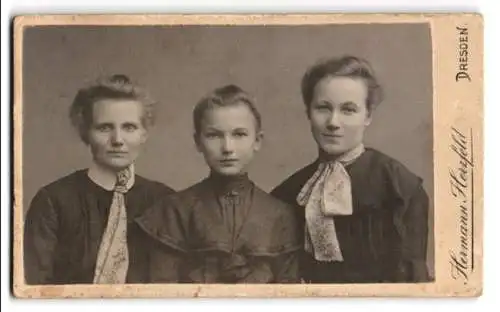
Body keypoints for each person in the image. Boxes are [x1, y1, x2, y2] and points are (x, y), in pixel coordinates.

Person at [271, 56, 431, 283]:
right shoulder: (288, 194)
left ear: (368, 115)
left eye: (348, 110)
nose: (333, 122)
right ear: (308, 112)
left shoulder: (400, 187)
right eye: (323, 108)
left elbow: (412, 282)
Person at [136, 85, 301, 283]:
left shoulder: (280, 215)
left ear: (257, 141)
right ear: (198, 142)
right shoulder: (175, 211)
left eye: (239, 134)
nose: (227, 148)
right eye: (214, 135)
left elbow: (289, 295)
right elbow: (163, 293)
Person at [23, 74, 175, 285]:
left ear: (144, 134)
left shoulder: (166, 202)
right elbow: (34, 287)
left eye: (129, 127)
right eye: (104, 128)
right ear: (85, 133)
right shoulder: (53, 201)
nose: (118, 140)